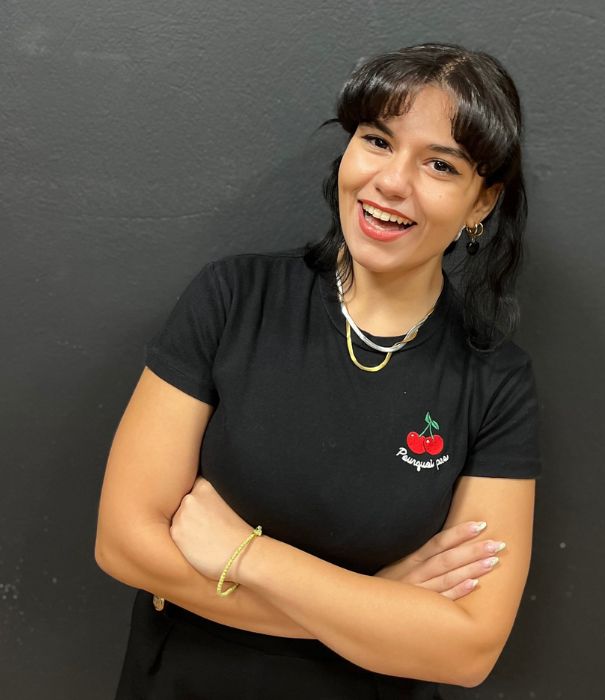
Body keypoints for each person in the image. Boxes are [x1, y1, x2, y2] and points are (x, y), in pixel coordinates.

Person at [95, 42, 542, 699]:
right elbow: (123, 545)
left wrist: (245, 555)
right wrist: (379, 604)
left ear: (482, 203)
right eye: (378, 141)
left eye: (440, 165)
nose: (392, 182)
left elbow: (467, 650)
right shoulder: (233, 299)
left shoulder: (495, 382)